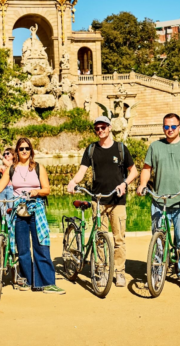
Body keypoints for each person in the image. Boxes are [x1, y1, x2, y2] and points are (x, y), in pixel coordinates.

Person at [66, 116, 139, 288]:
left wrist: (124, 183)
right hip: (97, 200)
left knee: (119, 238)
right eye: (97, 128)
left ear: (110, 127)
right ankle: (101, 270)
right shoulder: (91, 149)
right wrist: (73, 182)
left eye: (103, 127)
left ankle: (119, 271)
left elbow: (134, 171)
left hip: (117, 200)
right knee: (99, 238)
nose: (100, 131)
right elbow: (82, 171)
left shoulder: (121, 148)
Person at [0, 138, 65, 294]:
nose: (24, 151)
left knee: (41, 245)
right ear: (17, 151)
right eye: (21, 149)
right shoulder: (12, 169)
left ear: (31, 151)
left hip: (36, 209)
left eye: (27, 148)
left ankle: (47, 283)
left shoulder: (38, 168)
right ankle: (27, 280)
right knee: (22, 248)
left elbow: (47, 189)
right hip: (19, 210)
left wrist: (37, 191)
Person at [137, 113, 180, 290]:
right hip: (160, 201)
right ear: (163, 128)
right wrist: (143, 184)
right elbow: (146, 169)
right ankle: (157, 273)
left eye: (173, 126)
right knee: (158, 240)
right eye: (166, 127)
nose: (170, 130)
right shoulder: (155, 146)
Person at [0, 148, 16, 213]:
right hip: (2, 188)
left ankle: (11, 223)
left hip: (10, 188)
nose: (6, 155)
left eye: (8, 153)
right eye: (4, 154)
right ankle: (5, 223)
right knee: (3, 210)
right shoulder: (3, 166)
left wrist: (0, 155)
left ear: (13, 155)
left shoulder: (15, 164)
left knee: (11, 209)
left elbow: (10, 166)